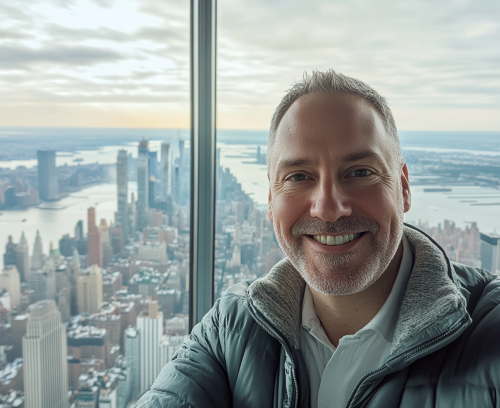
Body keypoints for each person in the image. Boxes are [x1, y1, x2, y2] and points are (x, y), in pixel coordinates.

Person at [136, 70, 500, 408]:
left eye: (360, 172)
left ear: (403, 188)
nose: (328, 209)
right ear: (270, 199)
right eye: (298, 176)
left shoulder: (490, 328)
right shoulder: (229, 331)